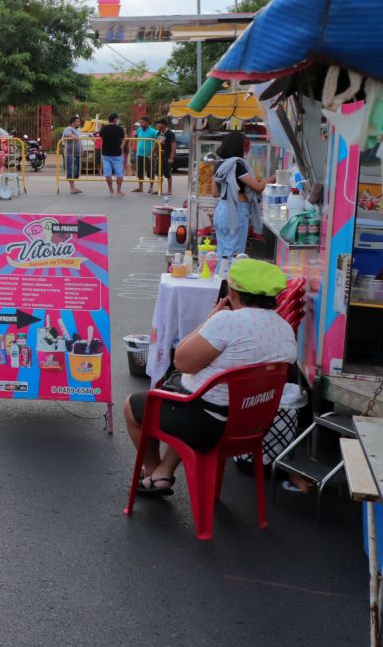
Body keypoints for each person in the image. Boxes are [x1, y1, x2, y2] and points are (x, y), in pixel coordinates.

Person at [123, 259, 296, 496]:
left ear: (233, 293)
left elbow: (182, 361)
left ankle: (152, 474)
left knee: (133, 406)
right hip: (252, 425)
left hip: (208, 424)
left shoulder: (226, 321)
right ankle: (163, 473)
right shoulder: (285, 329)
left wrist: (210, 318)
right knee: (185, 399)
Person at [213, 129, 265, 258]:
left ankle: (220, 277)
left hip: (221, 210)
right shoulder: (237, 165)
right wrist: (276, 176)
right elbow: (257, 187)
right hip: (236, 211)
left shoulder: (219, 165)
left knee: (222, 252)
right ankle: (228, 278)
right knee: (235, 254)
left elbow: (214, 193)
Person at [98, 113, 126, 196]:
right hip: (117, 153)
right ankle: (118, 190)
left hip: (106, 154)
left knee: (107, 173)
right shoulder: (119, 128)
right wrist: (121, 146)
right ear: (115, 119)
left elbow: (101, 137)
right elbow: (123, 137)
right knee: (119, 173)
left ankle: (111, 190)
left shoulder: (103, 128)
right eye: (117, 119)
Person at [132, 117, 159, 193]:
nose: (141, 124)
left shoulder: (153, 131)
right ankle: (140, 187)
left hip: (149, 154)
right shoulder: (139, 130)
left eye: (142, 122)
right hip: (139, 154)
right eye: (140, 122)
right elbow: (136, 136)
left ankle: (151, 187)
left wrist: (153, 153)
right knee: (140, 171)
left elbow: (157, 142)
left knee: (150, 171)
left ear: (147, 122)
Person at [62, 115, 85, 195]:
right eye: (78, 121)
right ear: (73, 122)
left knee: (77, 172)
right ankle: (72, 188)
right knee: (71, 170)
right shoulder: (69, 128)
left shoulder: (78, 130)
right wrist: (72, 136)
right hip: (70, 153)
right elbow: (68, 134)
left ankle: (73, 187)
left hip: (78, 154)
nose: (79, 123)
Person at [159, 117, 177, 185]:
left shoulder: (170, 133)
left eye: (159, 124)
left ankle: (170, 190)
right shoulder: (160, 133)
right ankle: (159, 188)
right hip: (160, 155)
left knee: (168, 173)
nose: (158, 125)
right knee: (159, 172)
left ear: (163, 125)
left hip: (167, 156)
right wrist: (152, 153)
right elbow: (157, 143)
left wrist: (171, 158)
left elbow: (173, 145)